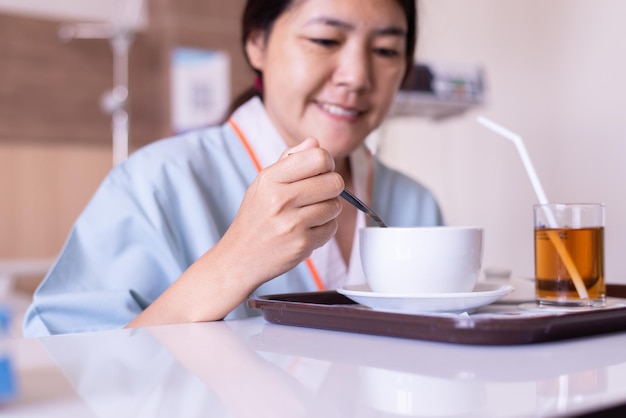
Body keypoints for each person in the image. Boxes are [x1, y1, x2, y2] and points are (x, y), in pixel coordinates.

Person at [23, 0, 443, 336]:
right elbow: (66, 372)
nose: (356, 76)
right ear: (257, 43)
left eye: (386, 50)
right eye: (325, 40)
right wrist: (234, 262)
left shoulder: (417, 204)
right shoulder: (153, 184)